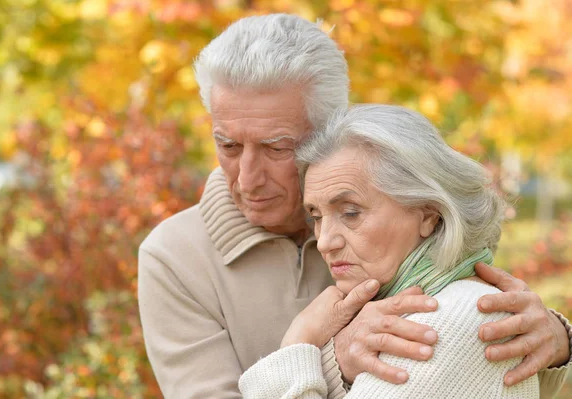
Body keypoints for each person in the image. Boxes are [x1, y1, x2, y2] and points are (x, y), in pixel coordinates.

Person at [137, 14, 571, 399]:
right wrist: (335, 360)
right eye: (228, 145)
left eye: (277, 147)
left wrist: (558, 342)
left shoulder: (393, 215)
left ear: (330, 131)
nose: (247, 178)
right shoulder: (173, 256)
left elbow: (478, 354)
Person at [238, 104, 541, 397]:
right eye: (317, 216)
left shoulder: (443, 321)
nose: (325, 241)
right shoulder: (429, 305)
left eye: (351, 212)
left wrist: (298, 341)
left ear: (427, 214)